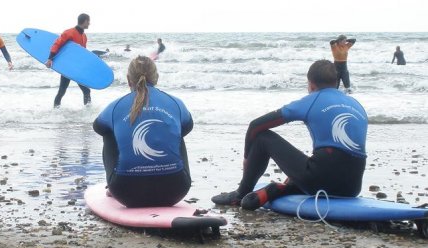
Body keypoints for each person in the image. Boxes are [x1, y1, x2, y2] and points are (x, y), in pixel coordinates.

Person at [211, 60, 367, 210]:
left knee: (262, 137)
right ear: (336, 82)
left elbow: (255, 126)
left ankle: (241, 193)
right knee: (317, 162)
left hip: (319, 181)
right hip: (352, 188)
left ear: (311, 85)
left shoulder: (312, 100)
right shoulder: (357, 105)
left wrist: (247, 158)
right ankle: (278, 189)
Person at [93, 56, 193, 207]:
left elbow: (98, 127)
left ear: (128, 79)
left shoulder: (115, 106)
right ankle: (170, 168)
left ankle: (112, 183)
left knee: (109, 131)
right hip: (175, 190)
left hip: (125, 191)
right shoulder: (175, 102)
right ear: (157, 78)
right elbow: (187, 127)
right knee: (176, 132)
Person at [45, 13, 92, 108]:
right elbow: (57, 44)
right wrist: (50, 59)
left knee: (86, 90)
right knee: (62, 90)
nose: (89, 23)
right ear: (85, 21)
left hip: (77, 68)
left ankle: (88, 112)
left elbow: (83, 53)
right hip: (67, 67)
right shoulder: (69, 32)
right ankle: (55, 110)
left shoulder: (84, 36)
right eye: (88, 21)